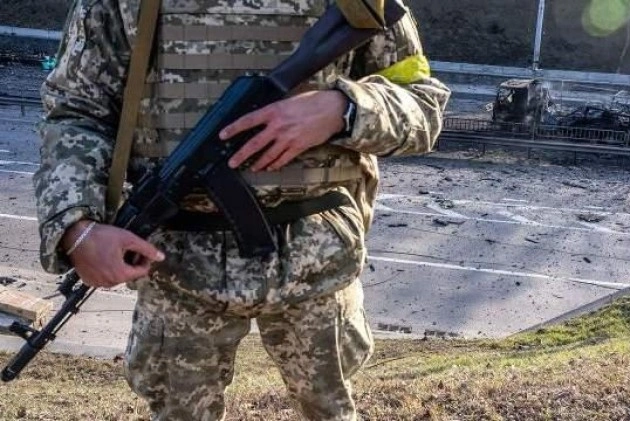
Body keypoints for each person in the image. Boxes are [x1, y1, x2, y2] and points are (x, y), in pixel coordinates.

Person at [33, 0, 450, 419]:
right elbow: (75, 110)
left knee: (330, 412)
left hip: (318, 259)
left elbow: (423, 104)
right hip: (177, 263)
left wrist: (343, 109)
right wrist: (76, 226)